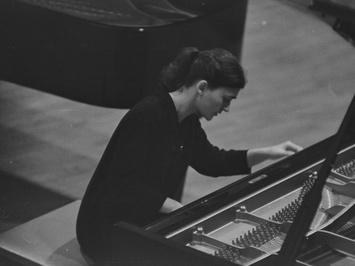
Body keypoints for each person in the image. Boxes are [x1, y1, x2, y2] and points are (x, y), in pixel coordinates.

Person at [76, 47, 302, 262]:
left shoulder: (187, 123)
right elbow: (121, 186)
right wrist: (175, 208)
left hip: (141, 222)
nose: (226, 109)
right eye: (226, 99)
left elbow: (211, 161)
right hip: (106, 231)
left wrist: (268, 153)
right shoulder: (148, 115)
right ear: (202, 87)